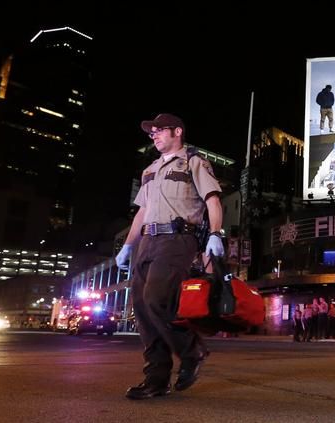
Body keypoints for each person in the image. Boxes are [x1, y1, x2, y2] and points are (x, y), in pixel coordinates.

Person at [115, 112, 225, 400]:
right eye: (151, 132)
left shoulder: (194, 162)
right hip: (147, 240)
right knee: (142, 308)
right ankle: (156, 379)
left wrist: (215, 233)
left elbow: (212, 199)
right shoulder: (149, 169)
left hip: (178, 238)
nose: (154, 135)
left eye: (159, 130)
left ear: (177, 132)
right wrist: (127, 246)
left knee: (156, 297)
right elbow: (141, 211)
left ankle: (193, 350)